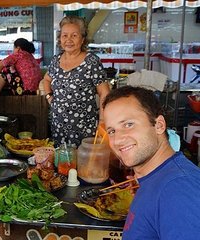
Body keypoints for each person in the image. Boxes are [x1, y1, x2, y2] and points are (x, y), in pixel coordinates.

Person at [103, 86, 200, 240]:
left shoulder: (177, 189)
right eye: (112, 131)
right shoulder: (156, 180)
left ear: (159, 125)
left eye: (128, 124)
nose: (118, 139)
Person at [43, 16, 110, 147]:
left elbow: (105, 93)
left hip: (84, 127)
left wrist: (102, 121)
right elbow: (46, 79)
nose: (68, 40)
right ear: (60, 39)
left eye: (74, 35)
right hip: (58, 125)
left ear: (83, 39)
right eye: (64, 35)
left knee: (83, 163)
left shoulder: (91, 61)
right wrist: (49, 96)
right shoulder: (56, 60)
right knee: (62, 163)